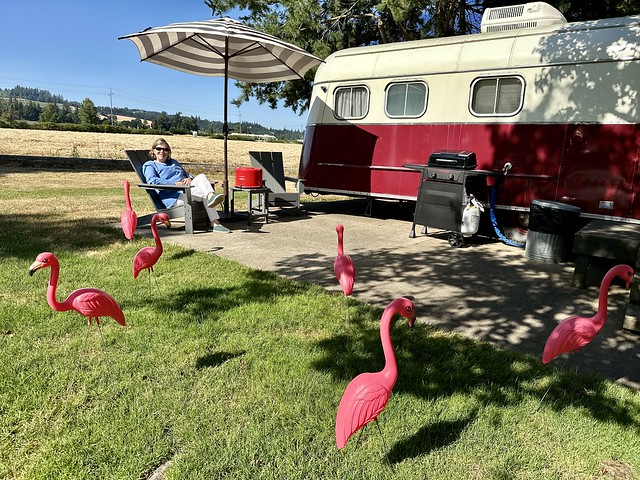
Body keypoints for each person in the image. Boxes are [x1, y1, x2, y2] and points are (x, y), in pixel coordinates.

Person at [142, 138, 230, 233]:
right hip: (174, 197)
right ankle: (215, 223)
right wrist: (175, 184)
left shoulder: (173, 162)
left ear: (168, 152)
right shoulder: (150, 165)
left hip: (187, 190)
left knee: (201, 177)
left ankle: (211, 197)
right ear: (153, 151)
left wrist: (189, 179)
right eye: (159, 149)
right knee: (205, 194)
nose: (162, 151)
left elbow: (188, 175)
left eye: (165, 149)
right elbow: (152, 181)